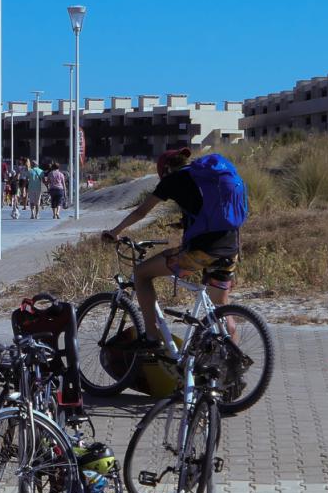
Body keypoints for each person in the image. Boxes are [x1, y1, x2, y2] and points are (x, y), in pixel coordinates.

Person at [101, 147, 249, 359]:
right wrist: (184, 223)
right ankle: (233, 363)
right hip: (230, 248)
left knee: (142, 273)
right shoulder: (207, 177)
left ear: (165, 169)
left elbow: (141, 211)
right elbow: (210, 211)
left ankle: (152, 338)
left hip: (202, 251)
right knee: (220, 307)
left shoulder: (173, 180)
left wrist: (115, 232)